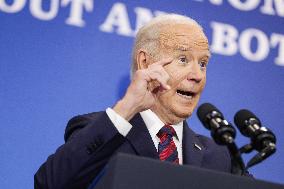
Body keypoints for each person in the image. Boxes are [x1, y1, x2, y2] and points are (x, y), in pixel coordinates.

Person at [35, 14, 232, 189]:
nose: (197, 75)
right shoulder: (101, 132)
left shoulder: (217, 156)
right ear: (145, 62)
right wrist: (127, 106)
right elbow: (50, 183)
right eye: (183, 59)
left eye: (203, 63)